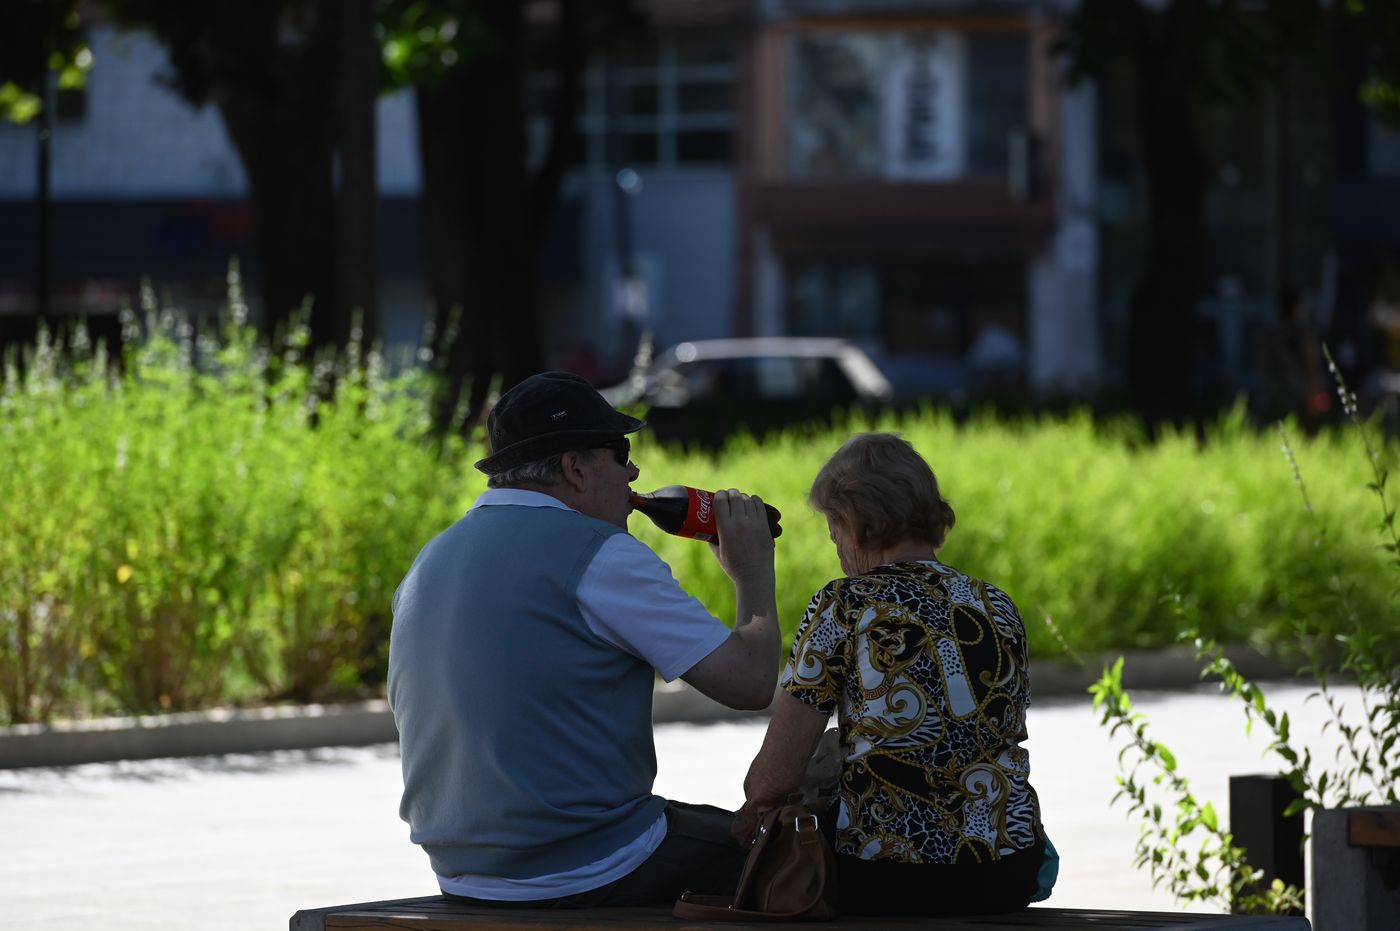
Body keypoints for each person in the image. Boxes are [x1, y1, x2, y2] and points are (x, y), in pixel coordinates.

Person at [387, 371, 780, 908]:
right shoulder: (600, 553)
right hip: (588, 862)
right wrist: (752, 572)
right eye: (621, 454)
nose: (634, 473)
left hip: (461, 871)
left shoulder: (431, 558)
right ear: (575, 468)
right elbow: (751, 682)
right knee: (793, 857)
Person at [733, 432, 1049, 917]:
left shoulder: (844, 604)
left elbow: (771, 782)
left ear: (856, 520)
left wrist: (751, 812)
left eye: (834, 529)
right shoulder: (995, 604)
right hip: (1008, 869)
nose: (836, 546)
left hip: (892, 875)